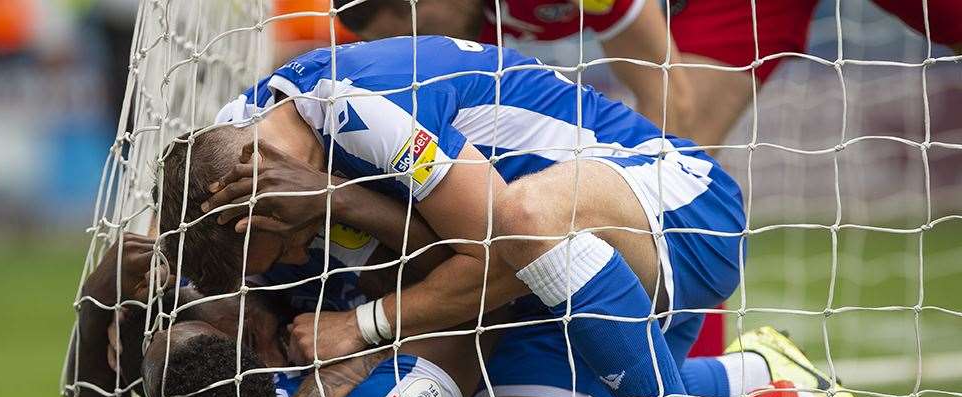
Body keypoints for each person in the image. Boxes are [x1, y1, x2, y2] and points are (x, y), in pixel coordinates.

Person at [184, 34, 844, 397]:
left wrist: (357, 335)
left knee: (524, 215)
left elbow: (495, 251)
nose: (297, 259)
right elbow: (440, 262)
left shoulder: (368, 113)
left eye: (281, 247)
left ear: (259, 211)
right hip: (545, 288)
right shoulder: (236, 136)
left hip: (673, 208)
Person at [331, 0, 962, 149]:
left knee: (666, 174)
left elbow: (665, 86)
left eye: (398, 18)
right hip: (726, 8)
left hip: (682, 19)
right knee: (686, 166)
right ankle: (689, 387)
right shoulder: (460, 34)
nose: (404, 39)